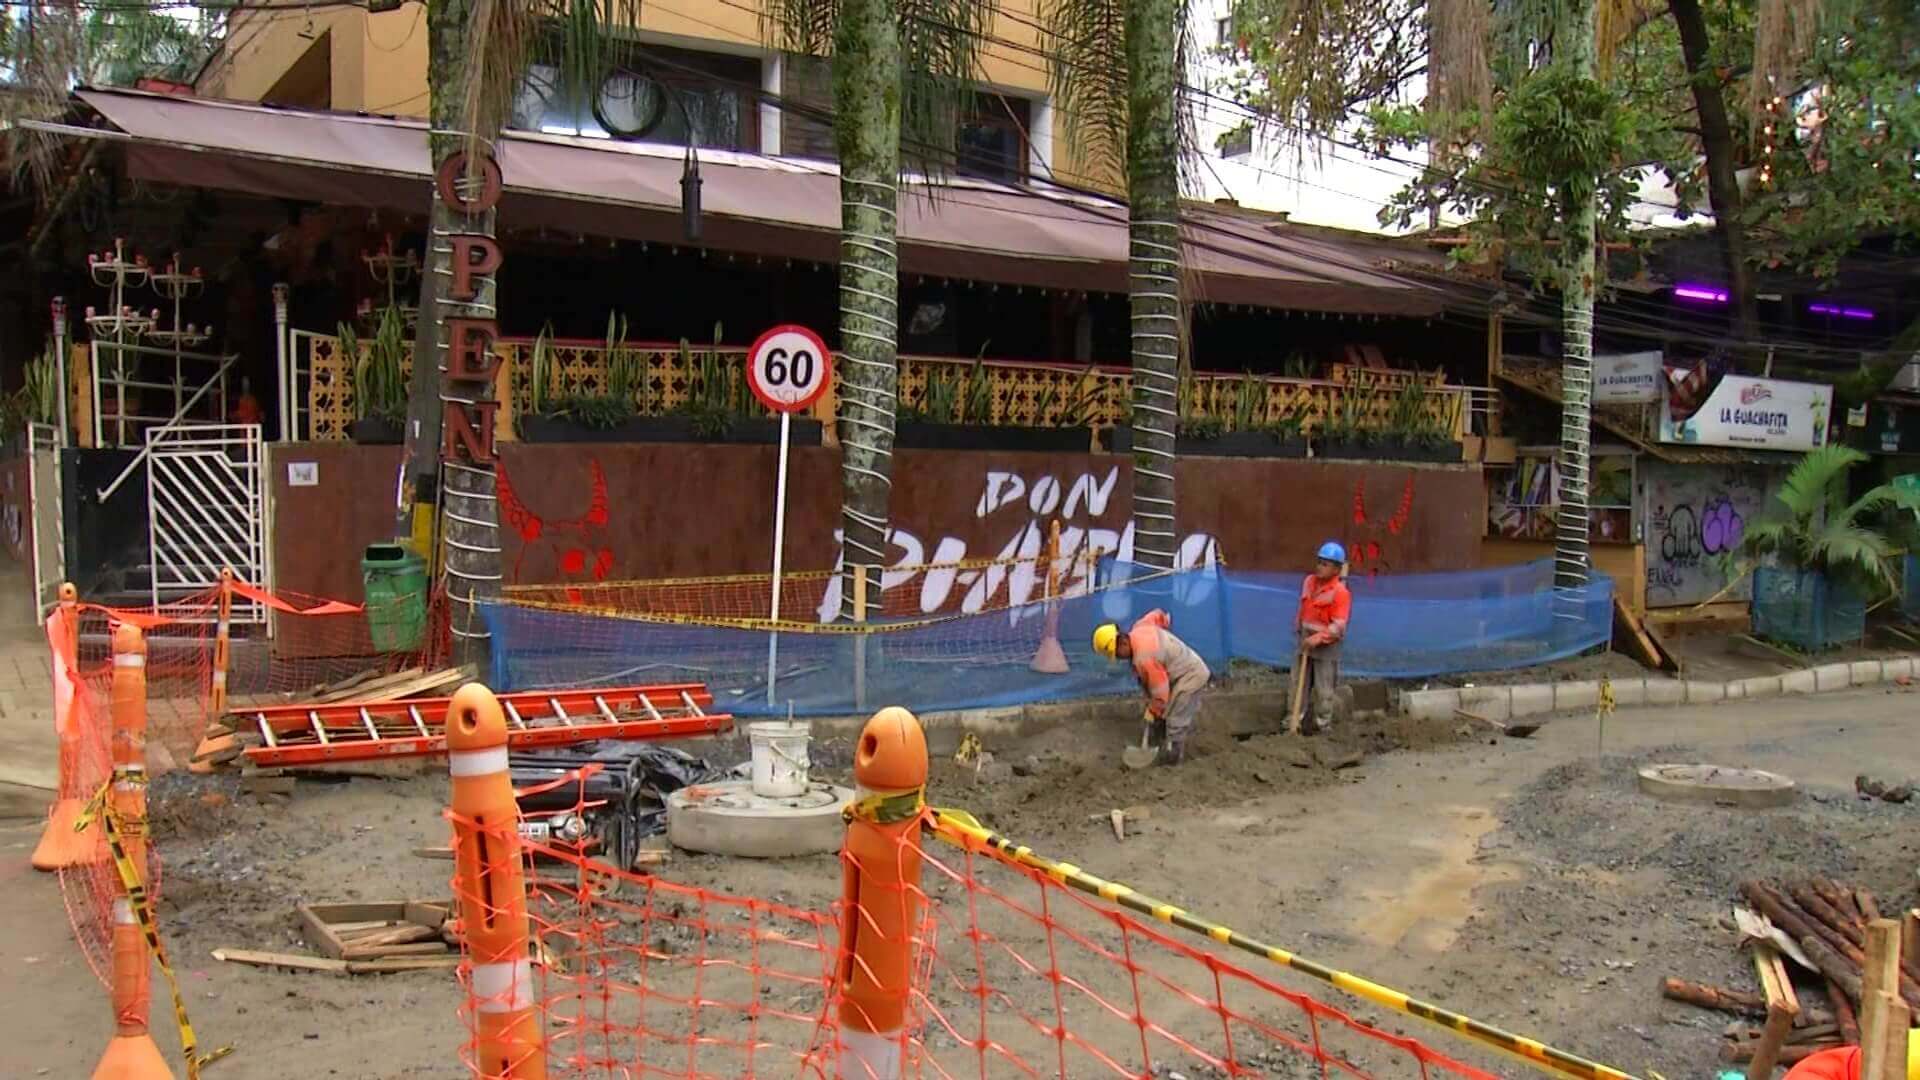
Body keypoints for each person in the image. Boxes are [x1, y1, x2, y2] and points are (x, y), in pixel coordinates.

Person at [1092, 609, 1211, 766]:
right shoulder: (1140, 627)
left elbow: (1160, 693)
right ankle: (1161, 742)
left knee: (1176, 717)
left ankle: (1173, 759)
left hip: (1190, 676)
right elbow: (1155, 615)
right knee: (1163, 712)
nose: (1120, 658)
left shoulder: (1144, 658)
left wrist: (1153, 710)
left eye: (1117, 654)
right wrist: (1164, 619)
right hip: (1181, 669)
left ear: (1123, 643)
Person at [1295, 541, 1353, 735]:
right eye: (1319, 562)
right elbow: (1303, 608)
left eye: (1326, 563)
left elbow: (1338, 627)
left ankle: (1323, 725)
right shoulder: (1309, 582)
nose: (1320, 566)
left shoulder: (1340, 593)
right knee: (1298, 684)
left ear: (1337, 569)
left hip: (1327, 646)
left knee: (1324, 688)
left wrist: (1318, 639)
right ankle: (1294, 720)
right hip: (1305, 640)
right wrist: (1299, 628)